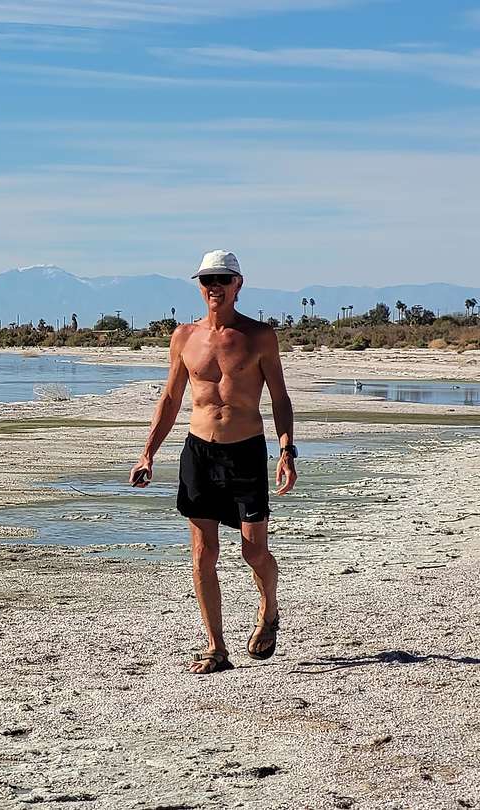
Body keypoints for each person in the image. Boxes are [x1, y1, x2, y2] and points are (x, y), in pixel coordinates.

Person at [129, 250, 298, 674]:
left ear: (238, 284)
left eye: (223, 278)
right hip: (200, 452)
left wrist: (286, 450)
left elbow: (279, 397)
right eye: (207, 279)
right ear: (199, 286)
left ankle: (269, 606)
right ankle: (216, 647)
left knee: (254, 552)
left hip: (246, 452)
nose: (214, 286)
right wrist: (148, 452)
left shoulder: (260, 336)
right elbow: (170, 398)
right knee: (203, 554)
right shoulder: (184, 336)